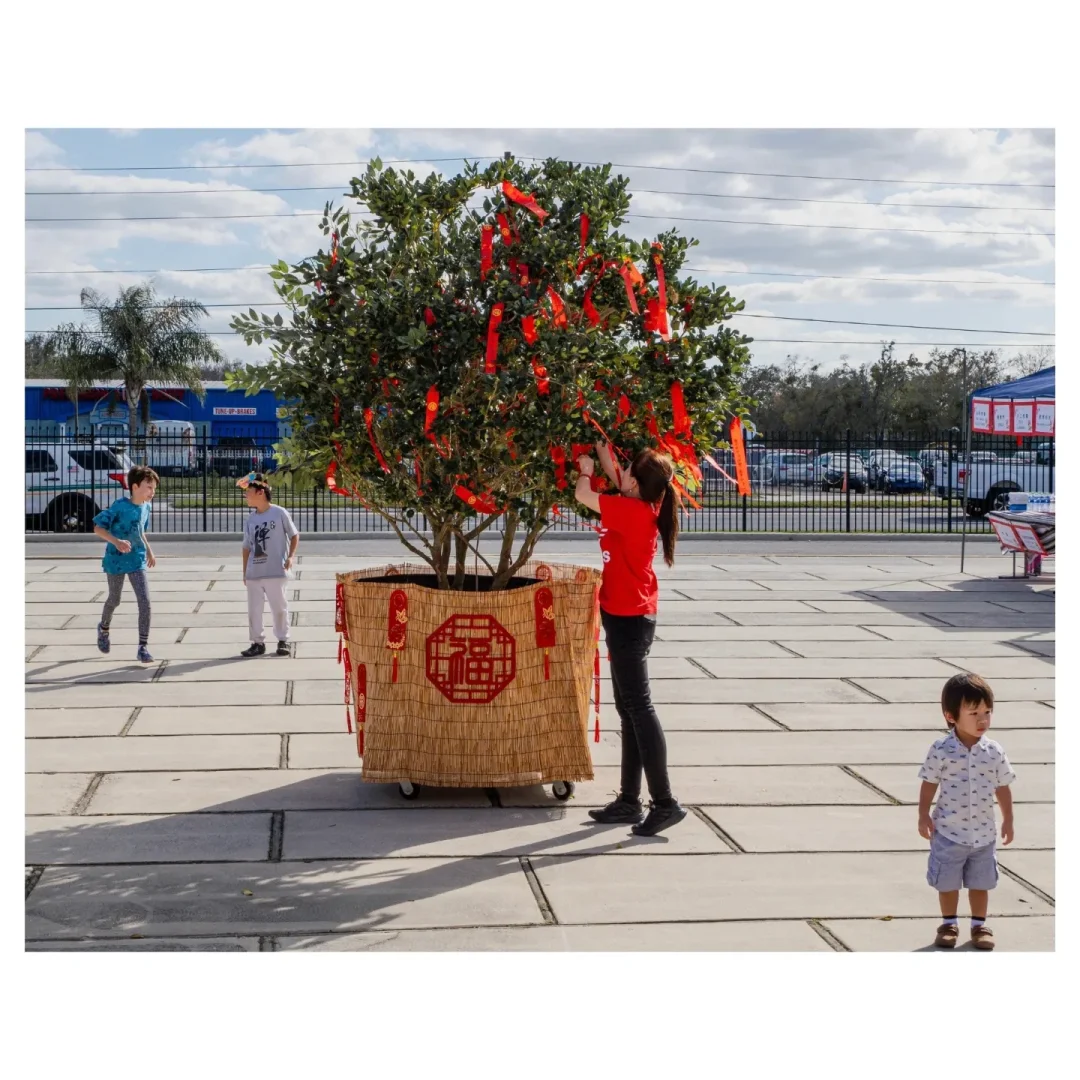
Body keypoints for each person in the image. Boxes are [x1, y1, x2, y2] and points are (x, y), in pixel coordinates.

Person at [574, 442, 687, 837]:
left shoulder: (629, 511)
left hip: (629, 620)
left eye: (628, 474)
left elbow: (583, 495)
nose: (619, 475)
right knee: (629, 710)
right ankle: (628, 801)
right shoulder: (644, 503)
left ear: (637, 486)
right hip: (630, 615)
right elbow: (619, 476)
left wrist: (586, 469)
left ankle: (665, 802)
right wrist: (604, 451)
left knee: (639, 708)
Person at [918, 672, 1016, 951]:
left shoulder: (994, 751)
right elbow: (929, 783)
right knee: (947, 882)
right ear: (951, 716)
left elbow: (1003, 786)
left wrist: (1008, 819)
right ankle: (948, 923)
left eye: (987, 711)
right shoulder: (941, 749)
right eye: (974, 713)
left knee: (980, 881)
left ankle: (978, 925)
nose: (982, 719)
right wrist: (923, 814)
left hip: (983, 834)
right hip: (948, 832)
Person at [93, 465, 159, 663]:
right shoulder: (120, 506)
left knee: (145, 601)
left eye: (154, 488)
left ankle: (143, 646)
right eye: (149, 487)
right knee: (115, 599)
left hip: (137, 559)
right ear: (135, 486)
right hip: (116, 559)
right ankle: (104, 628)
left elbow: (140, 531)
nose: (152, 492)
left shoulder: (146, 507)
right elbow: (98, 528)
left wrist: (148, 549)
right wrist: (116, 542)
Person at [239, 473, 299, 657]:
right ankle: (257, 643)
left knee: (279, 607)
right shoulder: (251, 519)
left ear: (260, 492)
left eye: (249, 492)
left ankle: (283, 640)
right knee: (254, 610)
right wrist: (245, 573)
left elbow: (294, 535)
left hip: (276, 570)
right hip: (254, 572)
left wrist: (290, 557)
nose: (245, 496)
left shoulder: (279, 513)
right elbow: (246, 546)